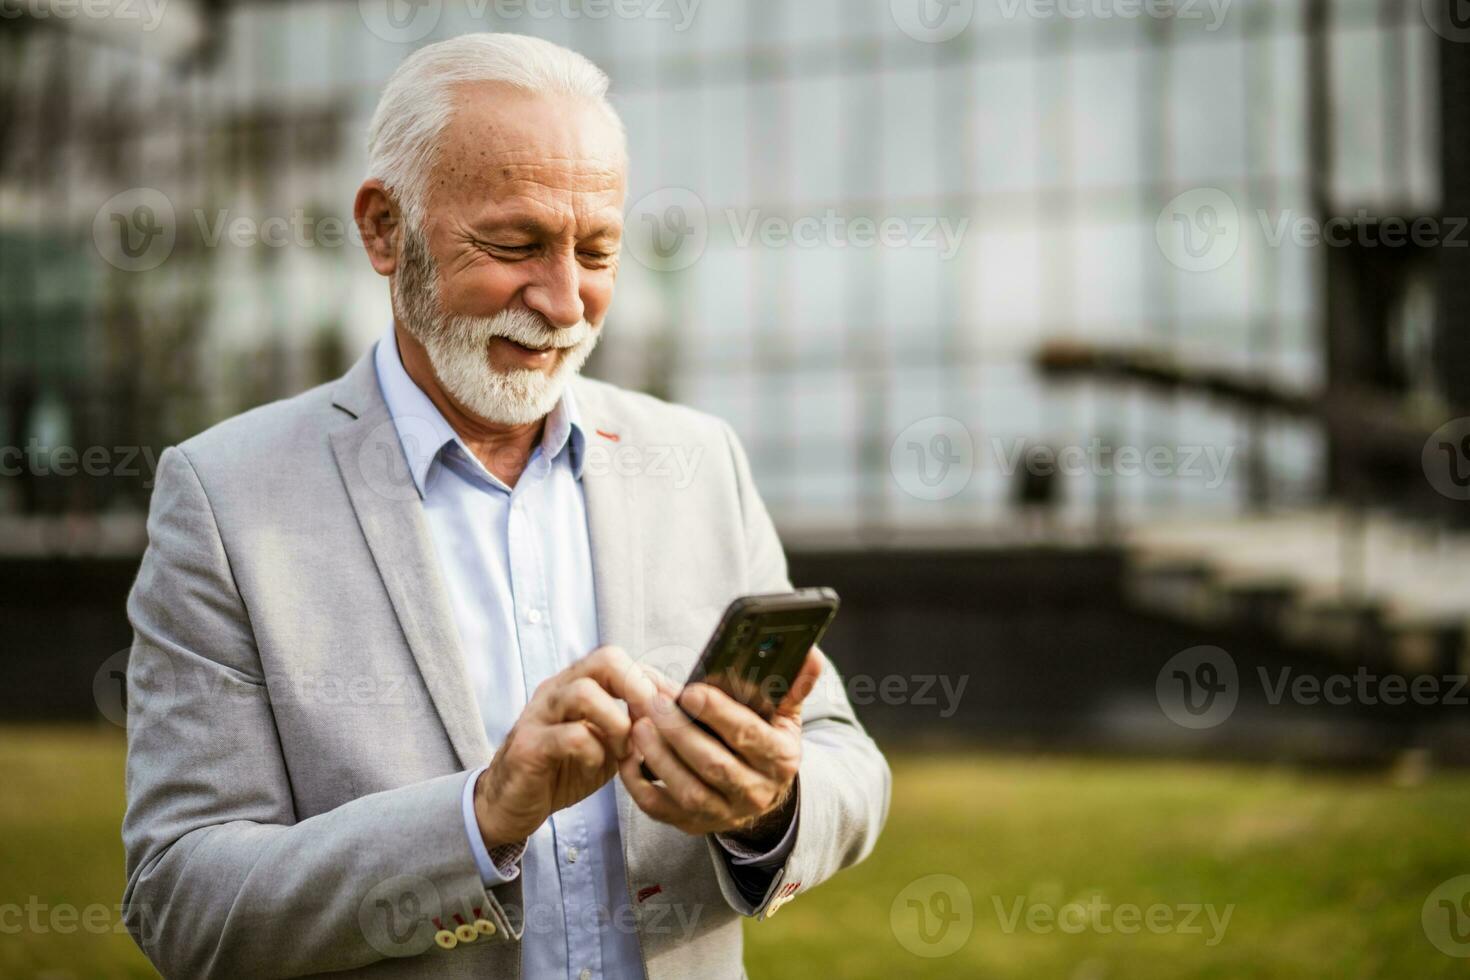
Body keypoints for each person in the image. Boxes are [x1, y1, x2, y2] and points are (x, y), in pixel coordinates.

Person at [121, 32, 889, 980]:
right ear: (383, 229)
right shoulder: (226, 498)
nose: (566, 303)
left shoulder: (699, 460)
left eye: (598, 250)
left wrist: (767, 805)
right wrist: (481, 818)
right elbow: (181, 897)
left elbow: (847, 761)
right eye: (515, 244)